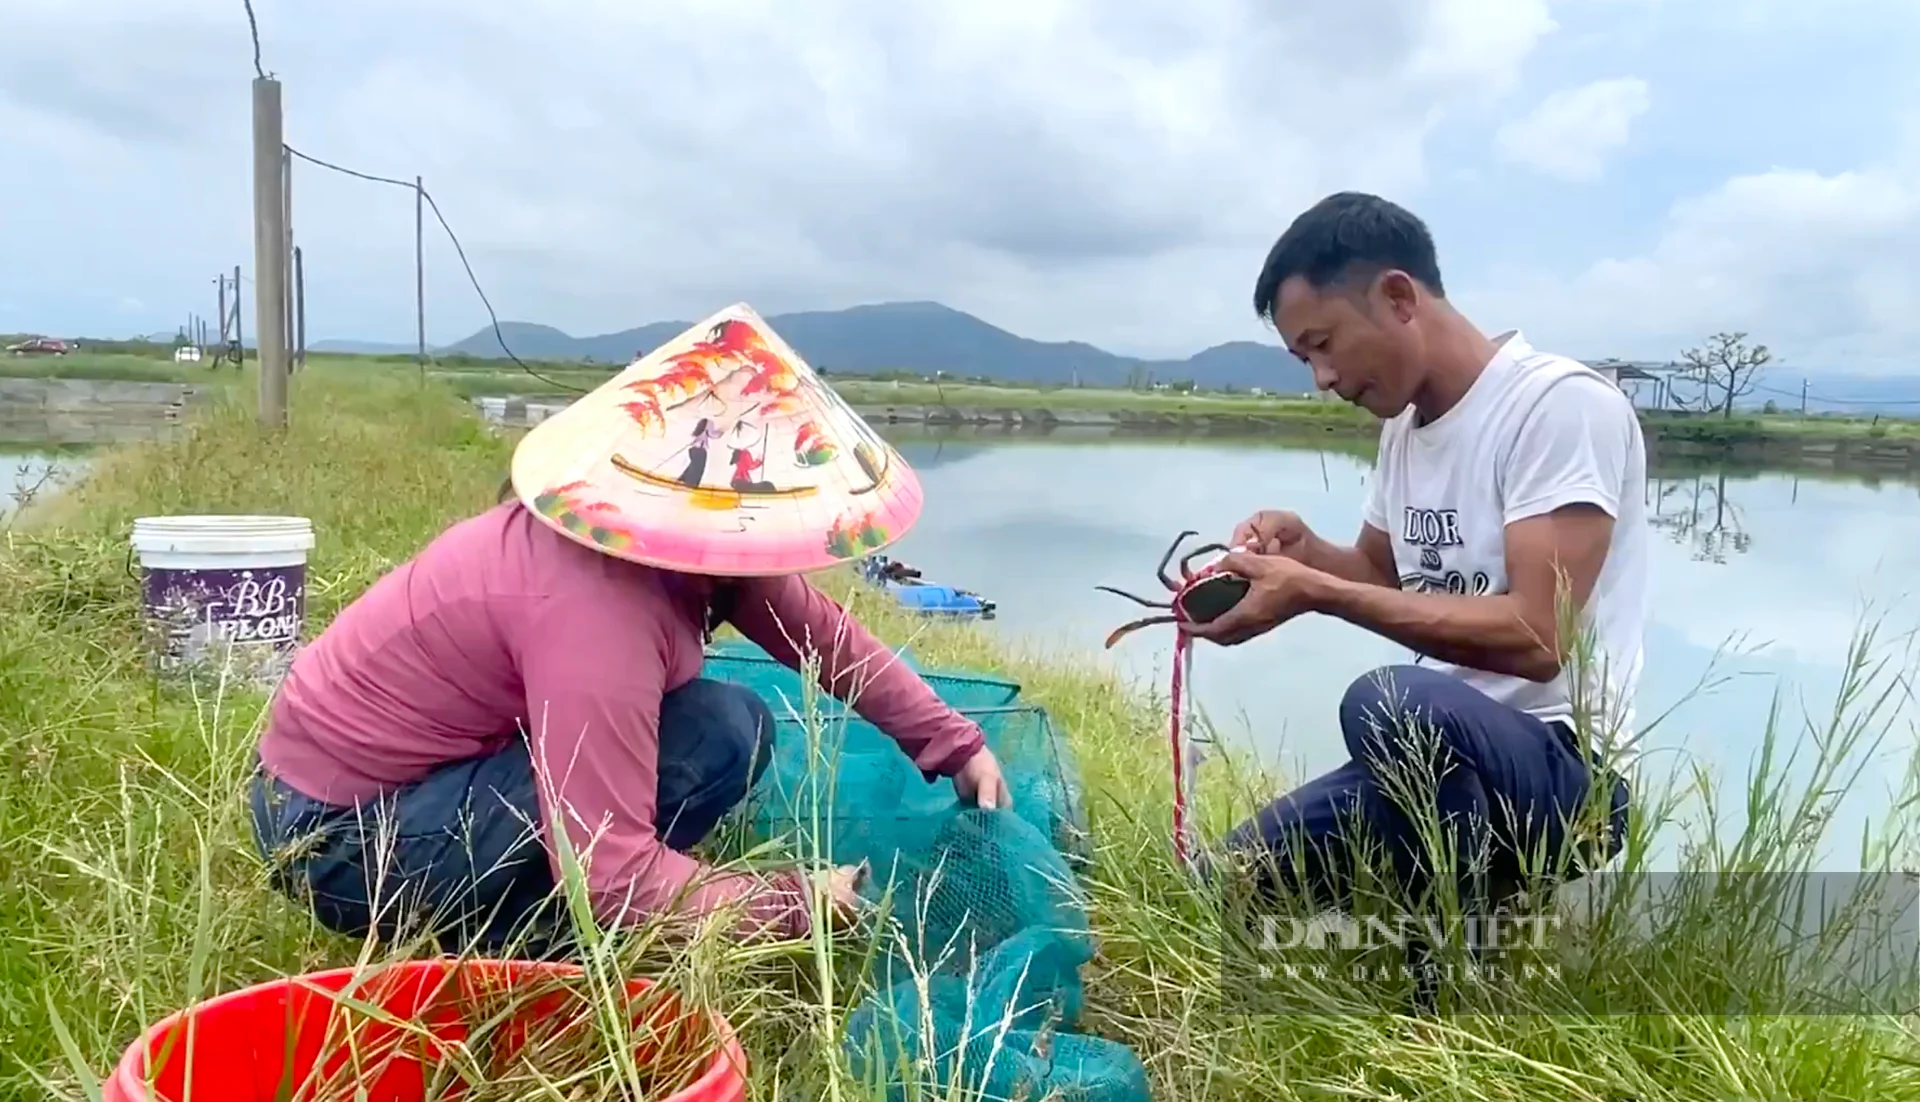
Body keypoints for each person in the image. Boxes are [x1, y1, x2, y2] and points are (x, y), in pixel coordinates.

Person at [248, 312, 1013, 959]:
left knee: (729, 723)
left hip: (409, 784)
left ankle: (564, 906)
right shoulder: (595, 608)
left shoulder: (675, 546)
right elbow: (608, 873)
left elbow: (823, 636)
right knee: (708, 742)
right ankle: (532, 940)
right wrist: (791, 904)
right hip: (342, 842)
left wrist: (953, 744)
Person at [1194, 192, 1646, 925]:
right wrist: (1309, 554)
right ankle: (1460, 915)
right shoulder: (1404, 431)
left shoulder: (1559, 406)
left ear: (1399, 297)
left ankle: (1448, 971)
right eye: (1305, 359)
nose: (1322, 378)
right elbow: (1382, 577)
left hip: (1566, 772)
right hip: (1434, 756)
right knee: (1222, 881)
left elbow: (1539, 638)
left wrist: (1315, 591)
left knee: (1386, 700)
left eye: (1324, 344)